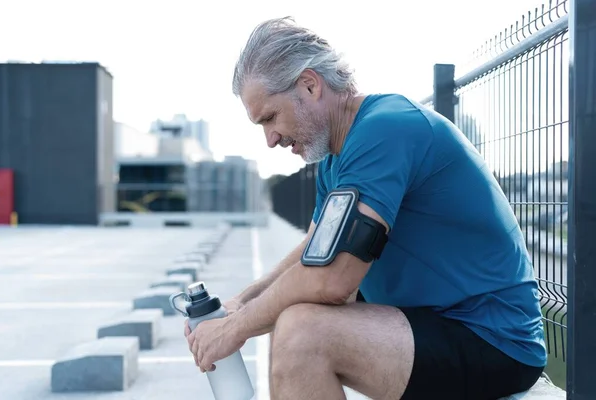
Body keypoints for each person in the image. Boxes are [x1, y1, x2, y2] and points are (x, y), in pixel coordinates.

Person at [185, 16, 547, 399]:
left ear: (310, 85)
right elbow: (309, 255)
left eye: (270, 117)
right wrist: (240, 304)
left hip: (492, 338)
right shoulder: (335, 159)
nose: (270, 139)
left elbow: (332, 279)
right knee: (289, 316)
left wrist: (236, 329)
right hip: (430, 324)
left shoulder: (386, 129)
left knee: (303, 334)